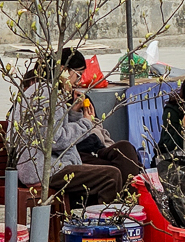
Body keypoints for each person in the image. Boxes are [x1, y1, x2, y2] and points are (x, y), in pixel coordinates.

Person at [9, 58, 142, 205]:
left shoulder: (41, 92)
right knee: (110, 176)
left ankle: (113, 213)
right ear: (63, 71)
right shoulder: (49, 94)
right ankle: (105, 223)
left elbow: (51, 132)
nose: (77, 82)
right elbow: (57, 140)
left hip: (40, 166)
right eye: (77, 75)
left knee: (117, 160)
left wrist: (73, 114)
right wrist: (86, 122)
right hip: (41, 170)